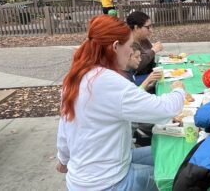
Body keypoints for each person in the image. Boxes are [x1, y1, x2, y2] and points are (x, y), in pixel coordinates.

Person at [56, 15, 185, 190]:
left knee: (167, 150)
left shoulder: (76, 75)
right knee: (180, 175)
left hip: (84, 177)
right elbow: (165, 109)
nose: (132, 52)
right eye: (129, 46)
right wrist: (178, 89)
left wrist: (63, 160)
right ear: (116, 46)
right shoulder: (108, 82)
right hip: (108, 183)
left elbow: (65, 128)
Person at [126, 11, 163, 89]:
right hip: (133, 80)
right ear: (136, 28)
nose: (151, 30)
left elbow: (149, 59)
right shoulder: (128, 43)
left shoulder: (143, 40)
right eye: (148, 27)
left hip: (146, 75)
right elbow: (137, 65)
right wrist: (153, 50)